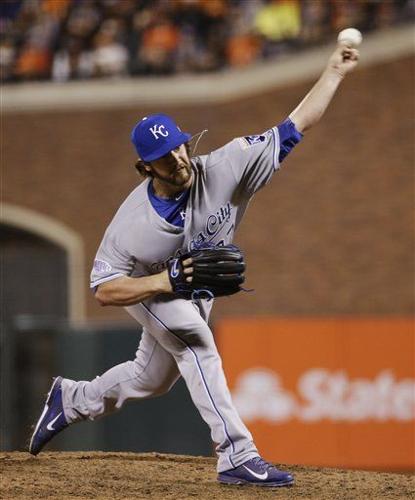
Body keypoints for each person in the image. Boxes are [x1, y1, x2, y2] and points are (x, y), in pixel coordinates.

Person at [29, 42, 359, 487]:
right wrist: (162, 281)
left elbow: (295, 124)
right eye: (165, 157)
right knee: (196, 343)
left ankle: (71, 400)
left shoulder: (226, 165)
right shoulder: (131, 225)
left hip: (192, 291)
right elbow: (104, 290)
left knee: (151, 378)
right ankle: (236, 454)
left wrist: (333, 74)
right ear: (145, 167)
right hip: (152, 289)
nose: (179, 158)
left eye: (181, 148)